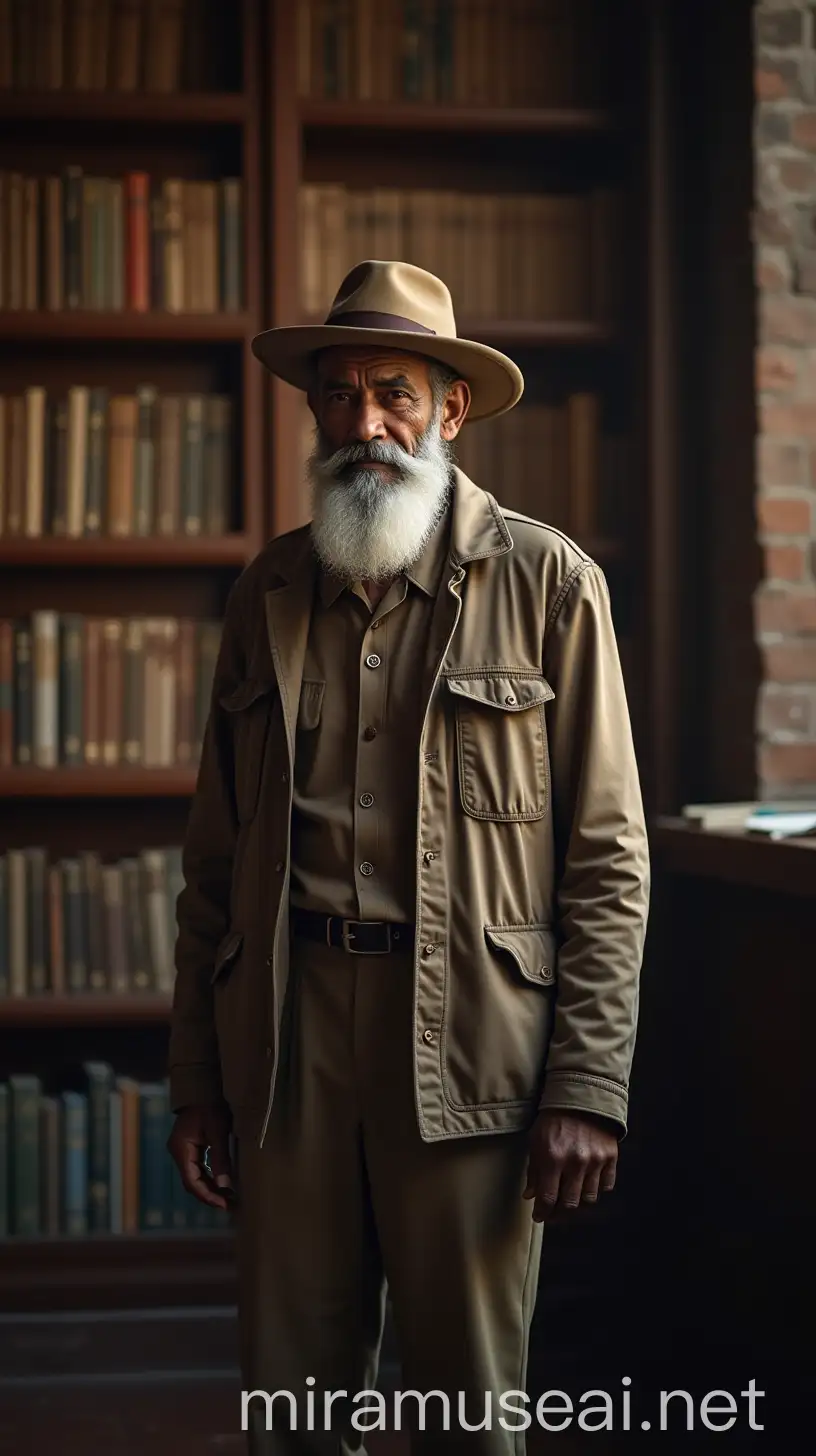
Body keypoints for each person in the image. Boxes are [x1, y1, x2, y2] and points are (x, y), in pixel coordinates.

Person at [167, 260, 650, 1455]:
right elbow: (214, 865)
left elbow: (608, 855)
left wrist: (588, 1082)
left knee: (469, 1408)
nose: (363, 422)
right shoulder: (267, 591)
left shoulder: (550, 584)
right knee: (292, 1408)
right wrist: (196, 1077)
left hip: (475, 1043)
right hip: (284, 1045)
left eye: (393, 391)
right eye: (339, 396)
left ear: (452, 409)